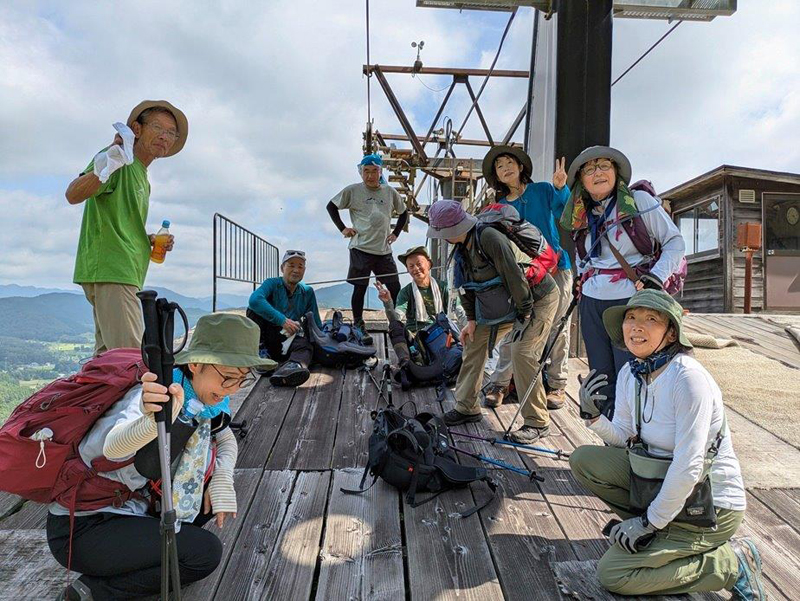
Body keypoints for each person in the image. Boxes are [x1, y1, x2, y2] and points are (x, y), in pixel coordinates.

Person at [48, 314, 275, 601]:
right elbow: (113, 447)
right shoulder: (152, 396)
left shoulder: (201, 401)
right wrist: (150, 420)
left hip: (134, 506)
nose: (232, 389)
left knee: (205, 497)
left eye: (242, 379)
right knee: (204, 554)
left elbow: (226, 438)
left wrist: (222, 478)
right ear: (196, 364)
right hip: (84, 528)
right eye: (228, 377)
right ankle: (93, 591)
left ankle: (133, 558)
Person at [569, 290, 763, 599]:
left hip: (709, 506)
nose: (636, 326)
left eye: (651, 319)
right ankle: (661, 534)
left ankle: (732, 564)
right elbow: (623, 435)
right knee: (584, 460)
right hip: (664, 486)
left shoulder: (688, 379)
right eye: (631, 317)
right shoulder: (631, 372)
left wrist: (648, 523)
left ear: (671, 333)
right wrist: (592, 417)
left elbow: (689, 466)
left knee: (614, 575)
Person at [560, 146, 685, 418]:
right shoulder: (581, 212)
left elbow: (675, 242)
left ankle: (637, 436)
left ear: (616, 172)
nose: (598, 173)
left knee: (632, 372)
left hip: (631, 300)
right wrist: (582, 278)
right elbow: (582, 255)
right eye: (589, 169)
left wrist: (656, 278)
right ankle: (610, 434)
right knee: (601, 374)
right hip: (592, 301)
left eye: (604, 166)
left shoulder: (637, 200)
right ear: (581, 180)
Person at [427, 200, 559, 443]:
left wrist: (525, 312)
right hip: (503, 302)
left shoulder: (489, 238)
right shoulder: (461, 249)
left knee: (522, 351)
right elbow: (465, 287)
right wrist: (471, 320)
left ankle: (537, 422)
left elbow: (513, 275)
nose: (441, 237)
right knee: (473, 342)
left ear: (454, 229)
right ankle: (467, 407)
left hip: (536, 297)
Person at [66, 100, 188, 355]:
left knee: (106, 360)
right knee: (132, 359)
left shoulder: (141, 175)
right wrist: (106, 165)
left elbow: (121, 219)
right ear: (137, 129)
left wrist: (148, 239)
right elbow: (73, 194)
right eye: (158, 127)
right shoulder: (119, 159)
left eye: (171, 133)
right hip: (113, 270)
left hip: (124, 272)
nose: (164, 137)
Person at [480, 146, 573, 410]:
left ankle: (556, 384)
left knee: (558, 326)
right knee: (514, 325)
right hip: (522, 276)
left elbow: (566, 215)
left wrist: (561, 188)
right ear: (497, 176)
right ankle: (500, 383)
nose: (505, 168)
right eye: (499, 166)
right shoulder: (499, 207)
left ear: (521, 167)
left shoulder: (542, 190)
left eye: (510, 162)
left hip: (556, 268)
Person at [327, 153, 409, 345]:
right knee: (360, 288)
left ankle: (398, 322)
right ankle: (358, 324)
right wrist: (343, 229)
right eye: (366, 171)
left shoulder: (390, 192)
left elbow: (404, 213)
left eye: (374, 171)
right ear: (361, 172)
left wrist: (396, 233)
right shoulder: (353, 190)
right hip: (360, 248)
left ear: (380, 172)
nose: (370, 175)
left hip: (383, 250)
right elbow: (331, 206)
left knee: (394, 287)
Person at [375, 245, 464, 386]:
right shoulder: (406, 292)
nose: (416, 269)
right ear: (408, 270)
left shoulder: (443, 287)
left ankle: (415, 372)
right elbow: (397, 318)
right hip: (416, 338)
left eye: (419, 264)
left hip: (439, 335)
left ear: (429, 264)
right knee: (395, 327)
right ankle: (405, 363)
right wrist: (388, 303)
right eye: (411, 266)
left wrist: (471, 327)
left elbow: (459, 310)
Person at [247, 250, 322, 387]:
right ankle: (260, 354)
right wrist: (282, 320)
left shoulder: (307, 291)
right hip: (266, 336)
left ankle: (292, 368)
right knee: (254, 309)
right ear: (282, 268)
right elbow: (254, 300)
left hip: (286, 339)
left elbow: (315, 322)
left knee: (306, 345)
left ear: (304, 271)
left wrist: (322, 341)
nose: (296, 270)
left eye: (300, 267)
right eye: (291, 265)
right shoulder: (272, 284)